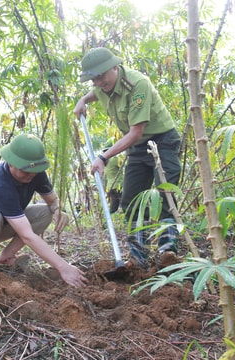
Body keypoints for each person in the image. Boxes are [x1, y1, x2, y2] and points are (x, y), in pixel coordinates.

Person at [73, 47, 181, 269]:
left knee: (165, 195)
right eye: (93, 80)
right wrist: (83, 99)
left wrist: (103, 157)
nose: (98, 83)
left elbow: (135, 132)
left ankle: (167, 251)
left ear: (115, 67)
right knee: (131, 200)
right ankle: (137, 256)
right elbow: (97, 93)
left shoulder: (137, 85)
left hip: (162, 142)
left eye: (101, 77)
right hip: (137, 148)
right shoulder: (102, 86)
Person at [0, 133, 88, 288]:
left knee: (45, 213)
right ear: (10, 163)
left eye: (34, 171)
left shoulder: (34, 172)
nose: (31, 175)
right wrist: (63, 267)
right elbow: (27, 236)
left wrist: (58, 209)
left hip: (2, 224)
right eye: (25, 171)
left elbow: (52, 201)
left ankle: (5, 256)